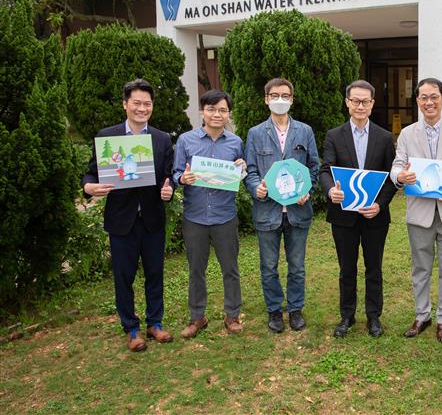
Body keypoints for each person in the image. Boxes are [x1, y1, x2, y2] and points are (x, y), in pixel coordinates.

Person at [81, 79, 175, 352]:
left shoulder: (161, 139)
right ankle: (131, 328)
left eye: (147, 103)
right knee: (124, 276)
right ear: (125, 104)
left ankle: (155, 323)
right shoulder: (107, 136)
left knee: (155, 272)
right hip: (121, 219)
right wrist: (89, 187)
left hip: (152, 218)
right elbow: (90, 173)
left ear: (152, 106)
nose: (142, 108)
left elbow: (168, 175)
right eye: (136, 103)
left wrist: (169, 187)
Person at [391, 77, 442, 343]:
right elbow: (397, 165)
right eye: (423, 97)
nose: (429, 102)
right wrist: (401, 177)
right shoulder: (407, 133)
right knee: (421, 267)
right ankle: (422, 315)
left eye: (434, 96)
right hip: (420, 212)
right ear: (417, 101)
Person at [320, 80, 397, 338]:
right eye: (355, 101)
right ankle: (347, 316)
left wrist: (380, 204)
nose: (360, 106)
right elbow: (325, 170)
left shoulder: (385, 137)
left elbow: (391, 178)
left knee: (374, 267)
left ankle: (374, 317)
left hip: (375, 215)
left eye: (365, 101)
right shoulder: (334, 135)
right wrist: (331, 190)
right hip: (343, 216)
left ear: (373, 104)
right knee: (347, 268)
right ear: (347, 103)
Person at [244, 78, 319, 334]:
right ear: (266, 99)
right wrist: (257, 188)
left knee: (297, 266)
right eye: (274, 95)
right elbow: (250, 170)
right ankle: (275, 310)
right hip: (268, 212)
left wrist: (307, 190)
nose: (280, 99)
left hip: (298, 211)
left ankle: (295, 309)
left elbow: (314, 168)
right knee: (268, 266)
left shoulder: (305, 131)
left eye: (285, 95)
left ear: (292, 99)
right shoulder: (255, 133)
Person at [173, 90, 245, 338]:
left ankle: (232, 314)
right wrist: (182, 177)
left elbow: (241, 175)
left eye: (223, 110)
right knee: (196, 269)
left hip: (225, 215)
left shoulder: (235, 143)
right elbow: (176, 174)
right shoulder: (186, 141)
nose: (217, 114)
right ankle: (197, 317)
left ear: (228, 114)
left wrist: (242, 168)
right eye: (212, 109)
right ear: (202, 111)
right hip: (195, 216)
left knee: (230, 268)